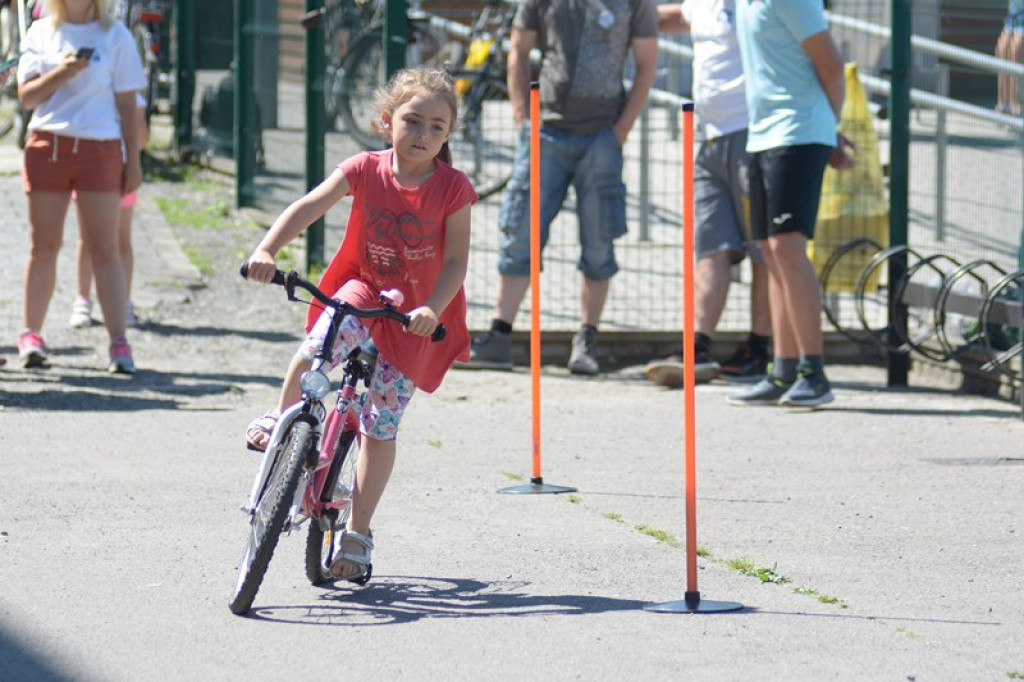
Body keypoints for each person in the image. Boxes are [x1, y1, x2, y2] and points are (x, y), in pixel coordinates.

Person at [242, 67, 476, 582]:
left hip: (415, 316)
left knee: (380, 424)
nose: (423, 135)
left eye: (437, 127)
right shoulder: (365, 168)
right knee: (320, 342)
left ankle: (358, 531)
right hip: (366, 286)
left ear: (448, 135)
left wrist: (432, 308)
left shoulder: (454, 188)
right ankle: (283, 421)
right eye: (412, 121)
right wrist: (266, 249)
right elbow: (309, 206)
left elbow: (456, 261)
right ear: (387, 120)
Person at [461, 0, 659, 375]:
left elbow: (648, 64)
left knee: (599, 242)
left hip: (602, 135)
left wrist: (621, 131)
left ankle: (587, 340)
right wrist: (522, 117)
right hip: (544, 131)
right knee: (520, 232)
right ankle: (499, 336)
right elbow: (518, 49)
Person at [728, 0, 854, 407]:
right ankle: (783, 371)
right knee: (770, 250)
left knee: (787, 246)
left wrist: (827, 128)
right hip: (763, 134)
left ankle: (814, 374)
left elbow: (832, 66)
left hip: (798, 132)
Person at [643, 0, 771, 389]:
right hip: (707, 138)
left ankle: (760, 349)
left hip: (755, 131)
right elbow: (658, 16)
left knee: (763, 248)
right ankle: (696, 347)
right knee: (711, 246)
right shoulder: (701, 4)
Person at [16, 0, 145, 374]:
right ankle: (30, 335)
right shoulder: (41, 32)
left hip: (100, 150)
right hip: (48, 145)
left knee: (104, 248)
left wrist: (133, 161)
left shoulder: (116, 35)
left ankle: (118, 342)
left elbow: (127, 105)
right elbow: (27, 98)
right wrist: (64, 71)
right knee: (44, 246)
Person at [69, 95, 149, 328]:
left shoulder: (133, 94)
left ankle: (123, 302)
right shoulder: (88, 88)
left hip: (121, 174)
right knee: (86, 239)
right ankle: (82, 300)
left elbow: (142, 140)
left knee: (122, 239)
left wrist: (135, 116)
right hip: (89, 169)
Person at [996, 0, 1024, 116]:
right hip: (1015, 14)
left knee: (1014, 50)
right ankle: (1007, 103)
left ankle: (1012, 103)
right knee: (1005, 48)